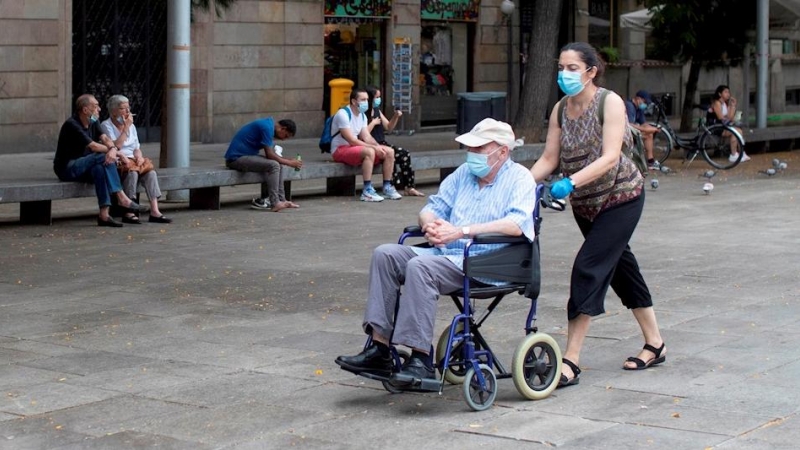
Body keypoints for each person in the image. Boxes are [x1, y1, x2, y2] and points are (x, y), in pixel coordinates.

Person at [335, 118, 535, 387]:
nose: (472, 155)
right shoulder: (464, 173)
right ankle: (380, 348)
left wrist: (461, 231)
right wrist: (430, 225)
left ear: (502, 151)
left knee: (420, 268)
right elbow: (431, 207)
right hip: (447, 255)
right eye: (471, 149)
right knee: (385, 254)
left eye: (479, 149)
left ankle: (421, 358)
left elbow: (517, 224)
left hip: (487, 263)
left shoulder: (520, 178)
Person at [530, 42, 666, 388]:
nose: (564, 74)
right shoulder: (560, 109)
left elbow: (609, 156)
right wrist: (517, 184)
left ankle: (571, 361)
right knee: (622, 270)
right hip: (587, 205)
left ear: (591, 71)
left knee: (589, 267)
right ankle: (655, 343)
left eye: (572, 68)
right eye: (561, 67)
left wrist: (568, 183)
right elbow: (549, 158)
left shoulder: (610, 102)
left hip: (621, 198)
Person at [54, 94, 141, 227]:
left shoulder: (94, 122)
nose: (99, 109)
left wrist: (112, 149)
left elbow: (105, 138)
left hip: (87, 165)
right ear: (85, 110)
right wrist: (117, 153)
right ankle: (121, 196)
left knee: (100, 168)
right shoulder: (72, 124)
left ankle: (104, 215)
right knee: (100, 156)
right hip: (68, 167)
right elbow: (93, 146)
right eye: (95, 106)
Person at [100, 95, 171, 224]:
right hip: (119, 162)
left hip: (133, 160)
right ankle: (129, 212)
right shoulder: (106, 125)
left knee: (151, 173)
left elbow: (136, 147)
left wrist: (139, 157)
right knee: (132, 173)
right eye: (123, 108)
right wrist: (126, 128)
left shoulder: (131, 126)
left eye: (128, 108)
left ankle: (155, 211)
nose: (128, 112)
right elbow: (116, 147)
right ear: (113, 111)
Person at [330, 88, 401, 202]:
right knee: (369, 151)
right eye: (362, 100)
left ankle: (387, 187)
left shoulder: (362, 115)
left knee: (389, 151)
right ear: (353, 101)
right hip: (340, 149)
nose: (366, 102)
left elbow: (366, 137)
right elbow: (351, 140)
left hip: (354, 148)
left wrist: (378, 146)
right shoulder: (343, 114)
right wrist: (373, 148)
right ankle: (367, 190)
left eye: (367, 100)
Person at [224, 118, 302, 212]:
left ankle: (282, 200)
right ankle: (275, 203)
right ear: (283, 128)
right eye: (285, 136)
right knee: (274, 165)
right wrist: (290, 163)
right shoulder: (267, 128)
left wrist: (287, 160)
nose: (283, 139)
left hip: (247, 156)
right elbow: (270, 154)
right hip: (235, 159)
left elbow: (272, 155)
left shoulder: (269, 126)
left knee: (279, 165)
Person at [364, 86, 425, 197]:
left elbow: (388, 127)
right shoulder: (363, 113)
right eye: (377, 97)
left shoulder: (377, 111)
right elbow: (362, 133)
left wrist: (395, 116)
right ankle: (391, 186)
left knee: (404, 154)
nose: (379, 99)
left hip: (382, 142)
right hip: (370, 145)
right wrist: (372, 123)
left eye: (379, 97)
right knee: (391, 155)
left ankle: (409, 187)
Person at [708, 84, 750, 162]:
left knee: (739, 131)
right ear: (720, 94)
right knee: (736, 131)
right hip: (716, 127)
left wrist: (732, 106)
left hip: (723, 126)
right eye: (726, 92)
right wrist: (729, 120)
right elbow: (720, 117)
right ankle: (733, 154)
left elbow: (730, 117)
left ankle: (741, 153)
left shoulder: (725, 103)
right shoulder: (716, 103)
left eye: (728, 92)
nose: (728, 94)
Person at [625, 90, 661, 170]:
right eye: (644, 101)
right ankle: (650, 161)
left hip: (632, 131)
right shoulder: (629, 106)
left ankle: (650, 160)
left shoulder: (639, 108)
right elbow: (629, 124)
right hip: (626, 132)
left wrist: (652, 128)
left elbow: (643, 123)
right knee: (648, 135)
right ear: (638, 99)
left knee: (649, 133)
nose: (645, 104)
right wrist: (645, 129)